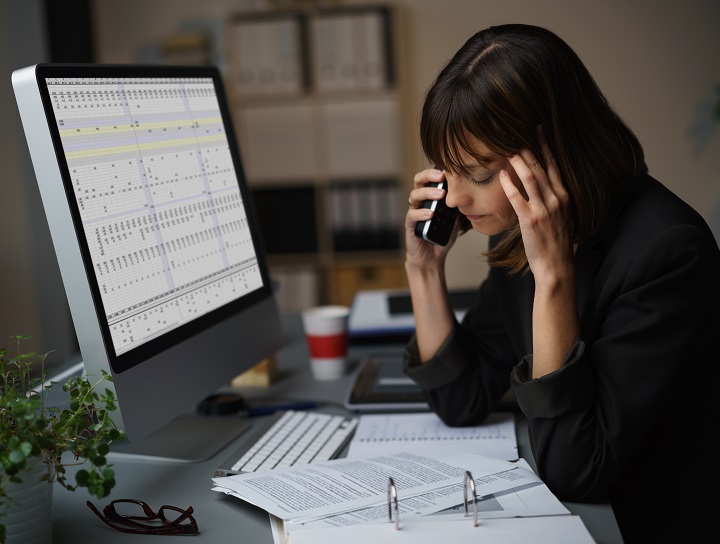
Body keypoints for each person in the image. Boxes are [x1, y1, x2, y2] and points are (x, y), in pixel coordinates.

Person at [403, 23, 720, 543]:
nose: (455, 197)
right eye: (446, 169)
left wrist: (553, 278)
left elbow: (574, 468)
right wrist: (423, 268)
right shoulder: (528, 235)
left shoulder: (667, 254)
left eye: (478, 175)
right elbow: (461, 397)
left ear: (551, 158)